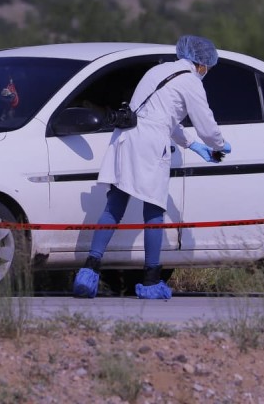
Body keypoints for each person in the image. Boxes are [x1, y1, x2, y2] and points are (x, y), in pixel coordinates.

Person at [73, 35, 231, 300]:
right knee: (154, 212)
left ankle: (88, 273)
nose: (207, 72)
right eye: (208, 68)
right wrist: (219, 144)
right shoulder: (191, 81)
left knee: (114, 206)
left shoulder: (157, 70)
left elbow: (162, 116)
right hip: (150, 145)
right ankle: (150, 282)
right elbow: (205, 123)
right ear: (202, 64)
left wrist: (192, 145)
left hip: (126, 136)